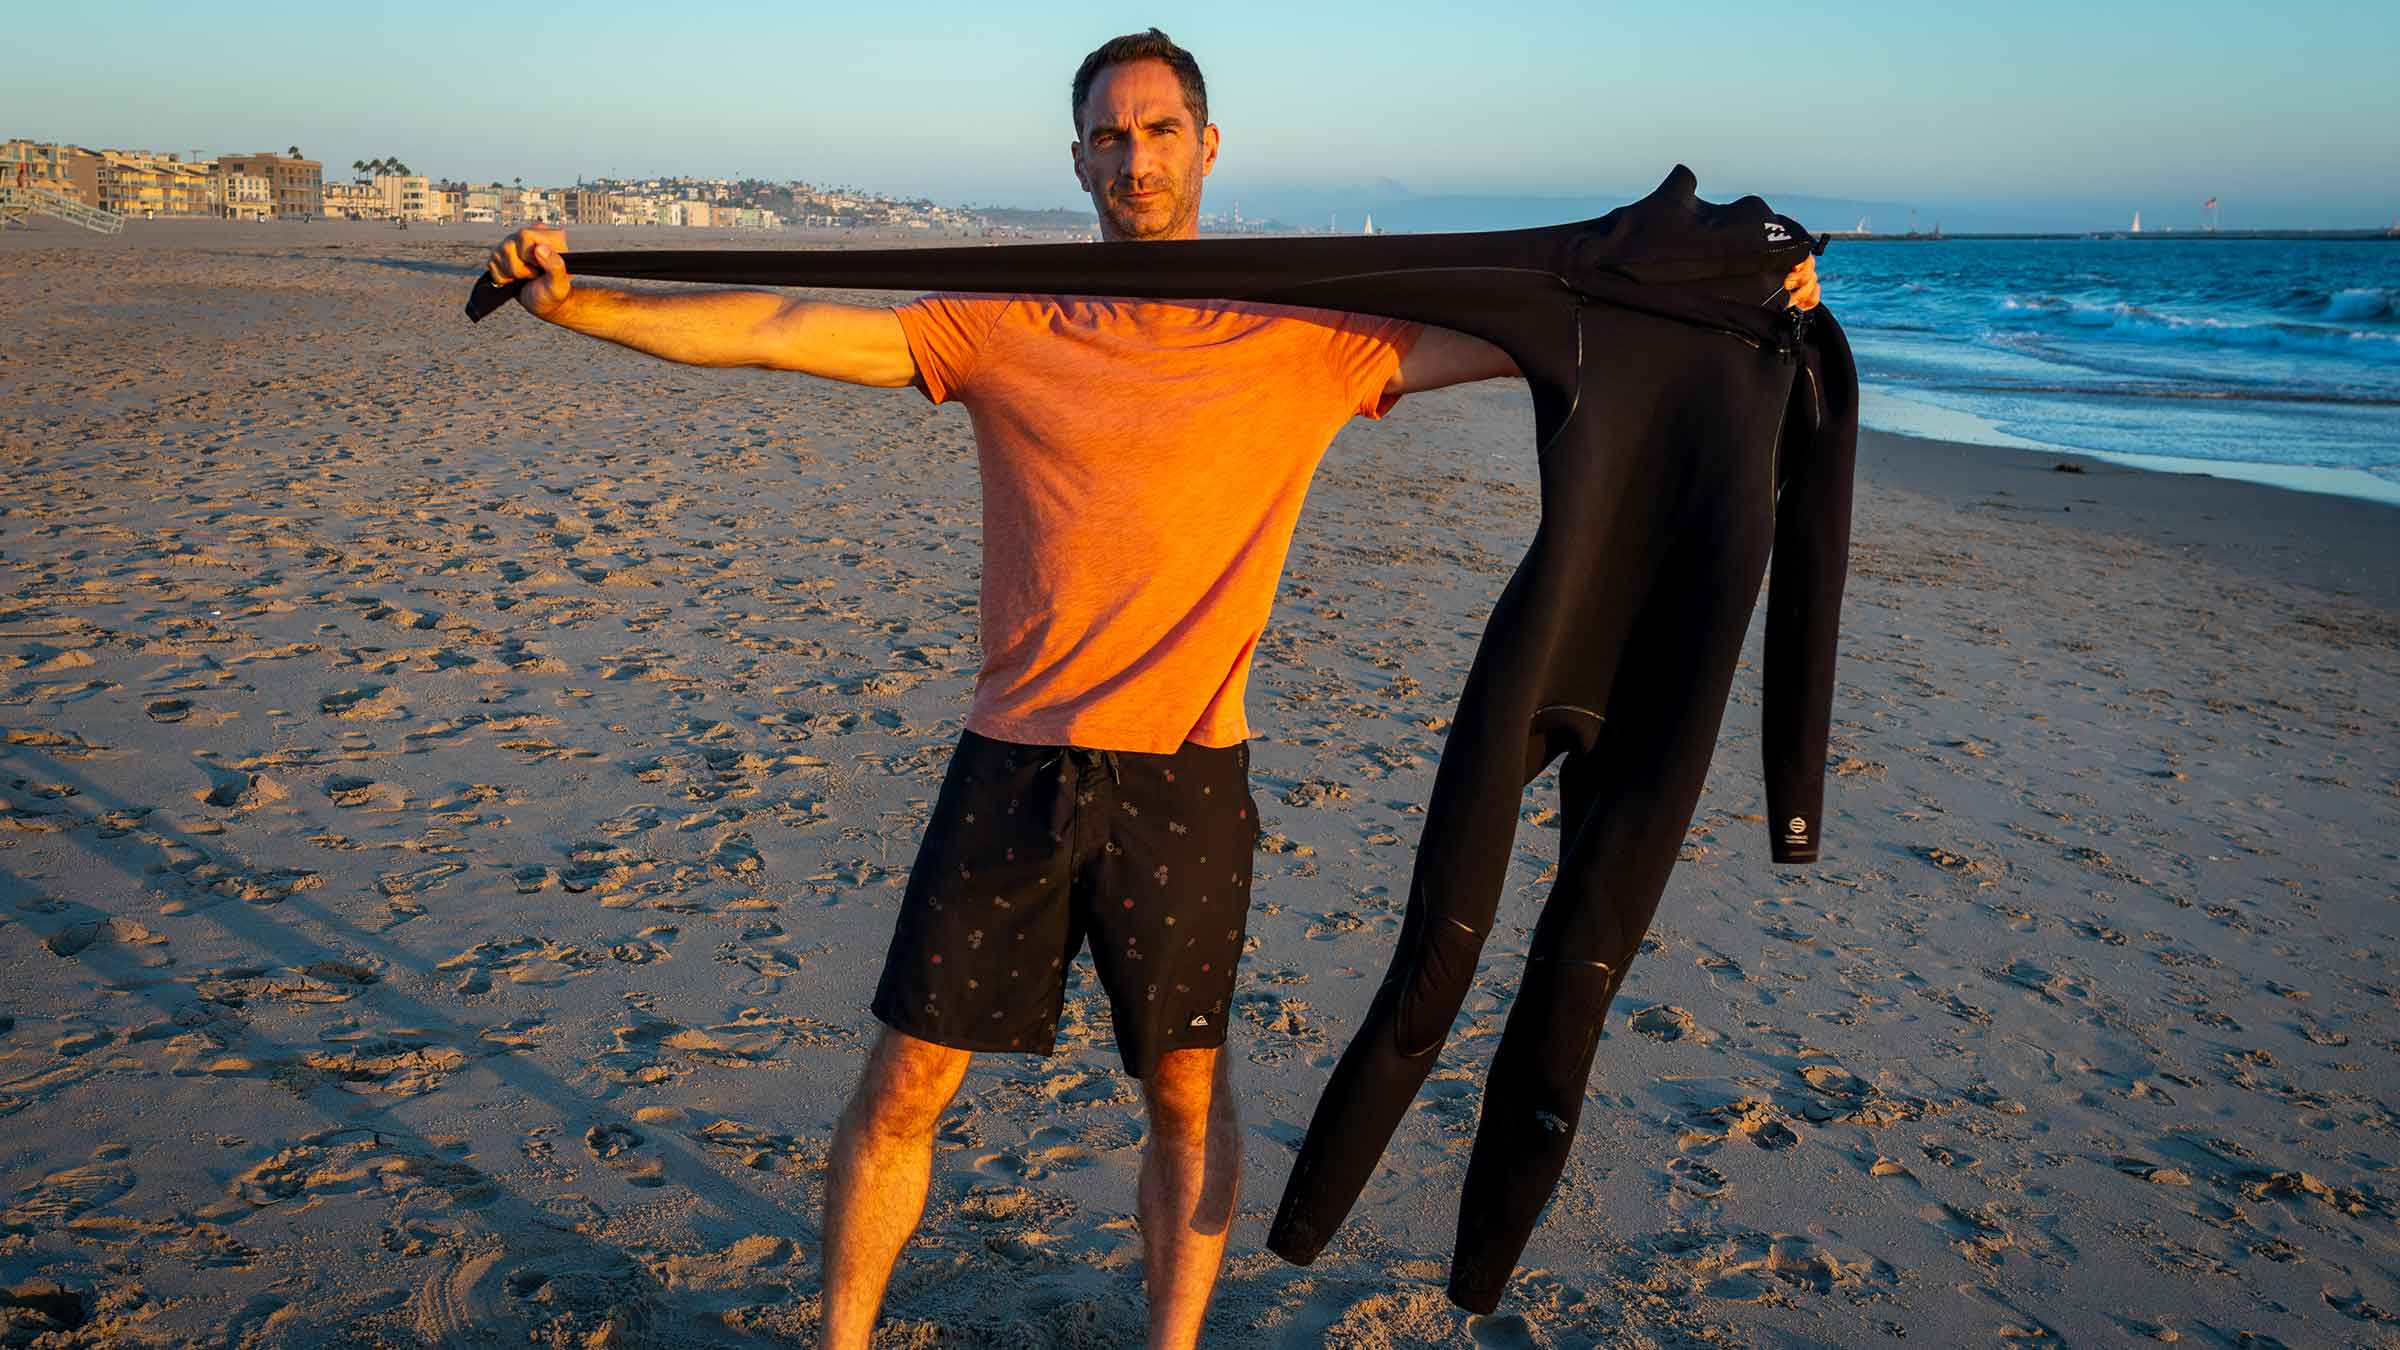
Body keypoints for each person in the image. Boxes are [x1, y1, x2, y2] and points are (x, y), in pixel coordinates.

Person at [484, 28, 1820, 1348]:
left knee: (1186, 1095)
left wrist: (1747, 296)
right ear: (1077, 160)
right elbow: (785, 324)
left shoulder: (1308, 336)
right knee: (906, 1081)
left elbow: (1565, 319)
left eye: (1159, 130)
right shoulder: (1009, 323)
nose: (1136, 157)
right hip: (1013, 761)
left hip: (1190, 775)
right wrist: (577, 301)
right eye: (1111, 137)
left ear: (1207, 144)